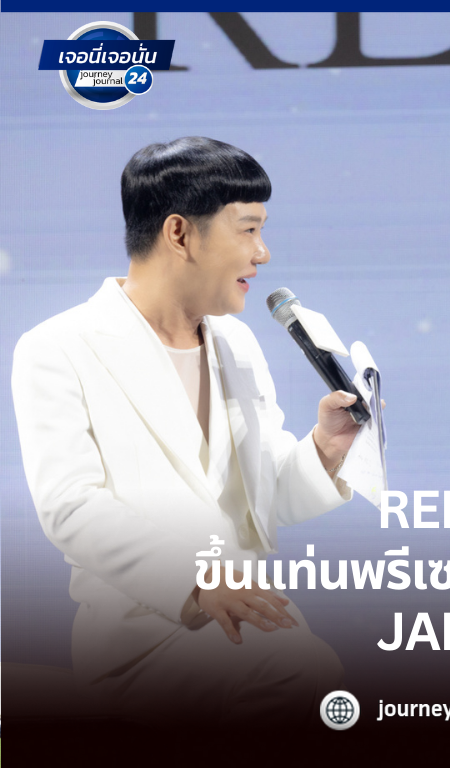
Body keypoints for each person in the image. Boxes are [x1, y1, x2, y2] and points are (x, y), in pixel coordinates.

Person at [11, 137, 360, 725]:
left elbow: (262, 494)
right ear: (179, 234)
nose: (263, 253)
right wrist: (195, 580)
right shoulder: (57, 347)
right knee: (302, 674)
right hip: (143, 641)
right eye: (248, 230)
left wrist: (325, 450)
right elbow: (70, 506)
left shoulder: (236, 342)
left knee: (320, 683)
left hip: (250, 627)